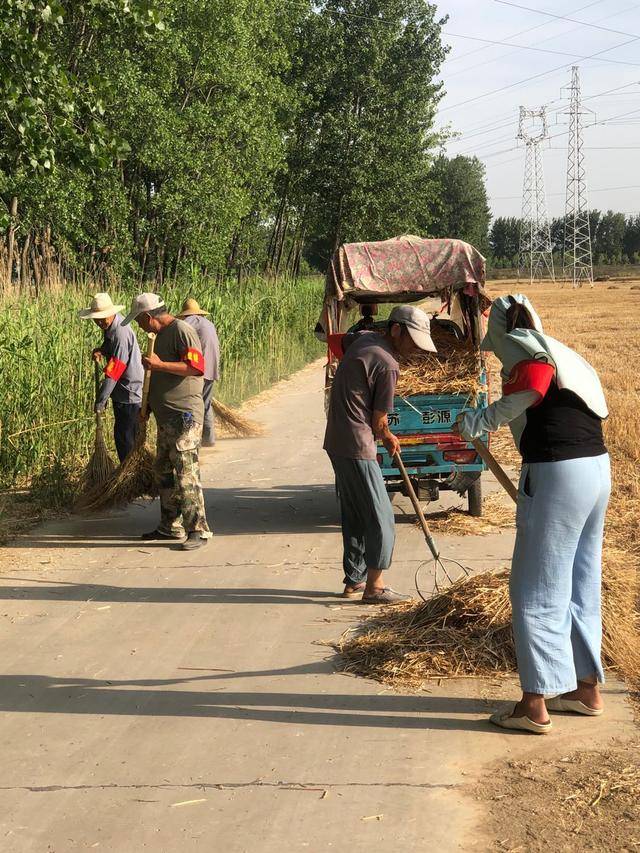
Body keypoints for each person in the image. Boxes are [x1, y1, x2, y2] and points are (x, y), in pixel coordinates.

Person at [455, 294, 610, 735]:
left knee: (537, 587)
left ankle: (533, 703)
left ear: (502, 332)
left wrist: (481, 420)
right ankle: (585, 689)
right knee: (581, 581)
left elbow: (535, 383)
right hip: (595, 470)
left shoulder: (526, 344)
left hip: (558, 473)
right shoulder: (565, 352)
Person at [324, 304, 437, 604]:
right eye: (412, 341)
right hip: (357, 443)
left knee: (356, 511)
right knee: (381, 515)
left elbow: (343, 342)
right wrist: (388, 436)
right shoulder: (388, 365)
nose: (415, 350)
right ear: (396, 330)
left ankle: (354, 579)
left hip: (336, 440)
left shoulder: (364, 341)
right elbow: (379, 422)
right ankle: (375, 585)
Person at [122, 293, 212, 551]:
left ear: (148, 317)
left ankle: (198, 529)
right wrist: (147, 406)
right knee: (163, 471)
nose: (138, 326)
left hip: (184, 417)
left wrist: (160, 365)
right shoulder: (157, 337)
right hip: (165, 417)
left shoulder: (182, 331)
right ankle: (170, 526)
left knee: (186, 473)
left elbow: (196, 368)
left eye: (139, 321)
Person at [78, 292, 143, 462]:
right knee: (124, 436)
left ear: (111, 313)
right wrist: (102, 350)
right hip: (122, 391)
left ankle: (129, 474)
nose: (100, 322)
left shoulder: (120, 332)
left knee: (125, 439)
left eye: (102, 318)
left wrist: (101, 399)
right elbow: (110, 347)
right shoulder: (111, 326)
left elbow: (115, 371)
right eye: (96, 319)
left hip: (129, 392)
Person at [177, 298, 220, 447]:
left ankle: (192, 439)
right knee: (205, 403)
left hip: (198, 370)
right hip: (212, 368)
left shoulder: (188, 323)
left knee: (191, 405)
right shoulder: (208, 324)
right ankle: (209, 438)